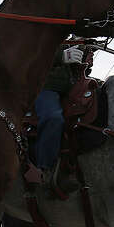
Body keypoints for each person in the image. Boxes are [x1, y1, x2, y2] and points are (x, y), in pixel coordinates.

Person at [28, 43, 85, 185]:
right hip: (44, 87)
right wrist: (60, 55)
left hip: (72, 87)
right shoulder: (32, 34)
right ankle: (44, 168)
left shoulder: (66, 38)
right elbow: (26, 54)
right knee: (52, 117)